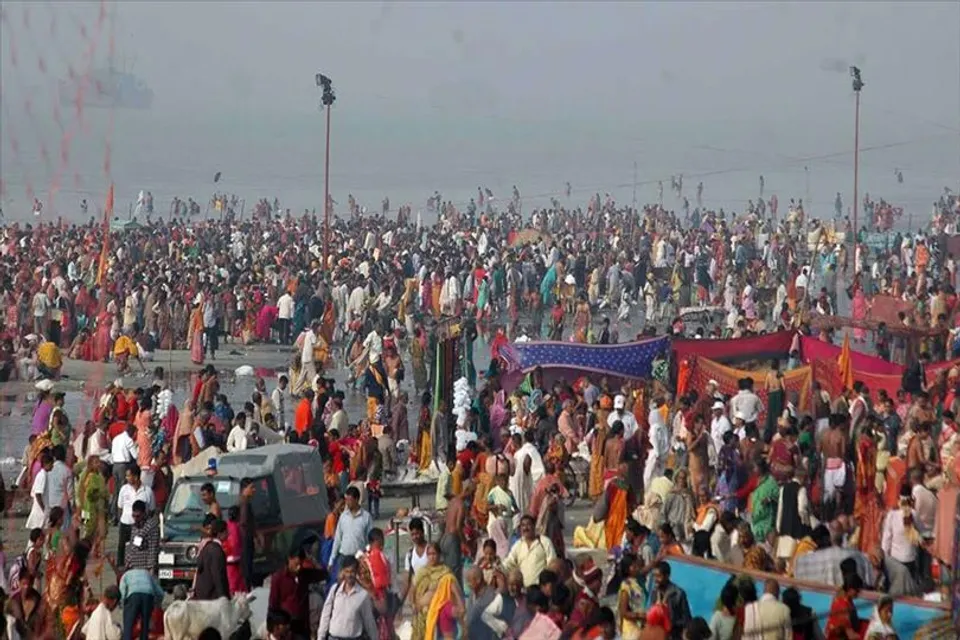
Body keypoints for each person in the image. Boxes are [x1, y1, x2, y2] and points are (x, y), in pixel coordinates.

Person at [409, 543, 465, 640]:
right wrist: (412, 604)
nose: (432, 557)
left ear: (439, 555)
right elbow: (413, 589)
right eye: (429, 554)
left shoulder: (445, 571)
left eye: (434, 554)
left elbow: (453, 588)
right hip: (421, 611)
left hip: (440, 610)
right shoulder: (422, 571)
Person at [268, 548, 324, 638]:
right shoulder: (278, 578)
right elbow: (273, 604)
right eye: (296, 564)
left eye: (301, 564)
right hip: (286, 627)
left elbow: (323, 574)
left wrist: (312, 560)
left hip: (303, 625)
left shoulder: (304, 575)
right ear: (290, 559)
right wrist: (271, 627)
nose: (299, 567)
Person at [329, 486, 373, 579]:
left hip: (359, 559)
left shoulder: (366, 517)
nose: (347, 503)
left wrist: (367, 557)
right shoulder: (343, 516)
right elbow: (337, 539)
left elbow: (370, 540)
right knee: (341, 584)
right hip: (343, 557)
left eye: (350, 500)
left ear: (357, 499)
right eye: (346, 500)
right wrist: (331, 560)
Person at [504, 515, 557, 588]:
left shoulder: (545, 542)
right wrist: (498, 567)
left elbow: (552, 564)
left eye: (528, 524)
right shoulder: (518, 545)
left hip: (540, 590)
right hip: (524, 590)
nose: (525, 528)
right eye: (523, 525)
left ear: (534, 526)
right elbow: (509, 563)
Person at [464, 565, 511, 640]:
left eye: (469, 581)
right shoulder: (472, 595)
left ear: (478, 580)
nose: (467, 584)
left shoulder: (491, 596)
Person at [119, 563, 164, 640]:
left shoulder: (126, 575)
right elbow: (160, 593)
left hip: (134, 596)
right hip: (148, 596)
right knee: (145, 625)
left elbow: (122, 590)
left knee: (128, 625)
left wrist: (123, 603)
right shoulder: (147, 574)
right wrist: (156, 604)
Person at [651, 562, 690, 640]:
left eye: (658, 576)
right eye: (654, 576)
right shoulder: (655, 592)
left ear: (667, 576)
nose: (656, 579)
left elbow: (686, 619)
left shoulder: (678, 593)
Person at [193, 515, 229, 600]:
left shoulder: (206, 547)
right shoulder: (216, 551)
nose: (228, 533)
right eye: (226, 531)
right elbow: (218, 576)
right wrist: (223, 597)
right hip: (212, 599)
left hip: (202, 594)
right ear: (220, 534)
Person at [824, 573, 866, 640]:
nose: (858, 593)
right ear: (850, 589)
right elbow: (851, 635)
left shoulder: (848, 600)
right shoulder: (841, 604)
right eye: (857, 591)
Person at [617, 553, 646, 640]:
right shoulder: (626, 586)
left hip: (639, 626)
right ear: (628, 569)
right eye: (634, 566)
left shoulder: (636, 582)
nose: (637, 568)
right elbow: (623, 612)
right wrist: (639, 615)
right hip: (631, 630)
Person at [125, 500, 159, 573]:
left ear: (144, 514)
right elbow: (132, 545)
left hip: (144, 568)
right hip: (133, 566)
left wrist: (151, 568)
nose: (135, 519)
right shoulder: (134, 526)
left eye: (138, 516)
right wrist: (128, 561)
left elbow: (152, 549)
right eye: (133, 516)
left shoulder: (151, 526)